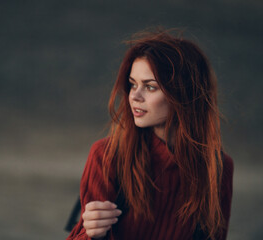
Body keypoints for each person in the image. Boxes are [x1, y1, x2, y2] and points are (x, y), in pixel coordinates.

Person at [66, 29, 234, 240]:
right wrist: (92, 235)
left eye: (150, 87)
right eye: (133, 84)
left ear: (183, 93)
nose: (134, 96)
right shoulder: (107, 155)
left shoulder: (217, 168)